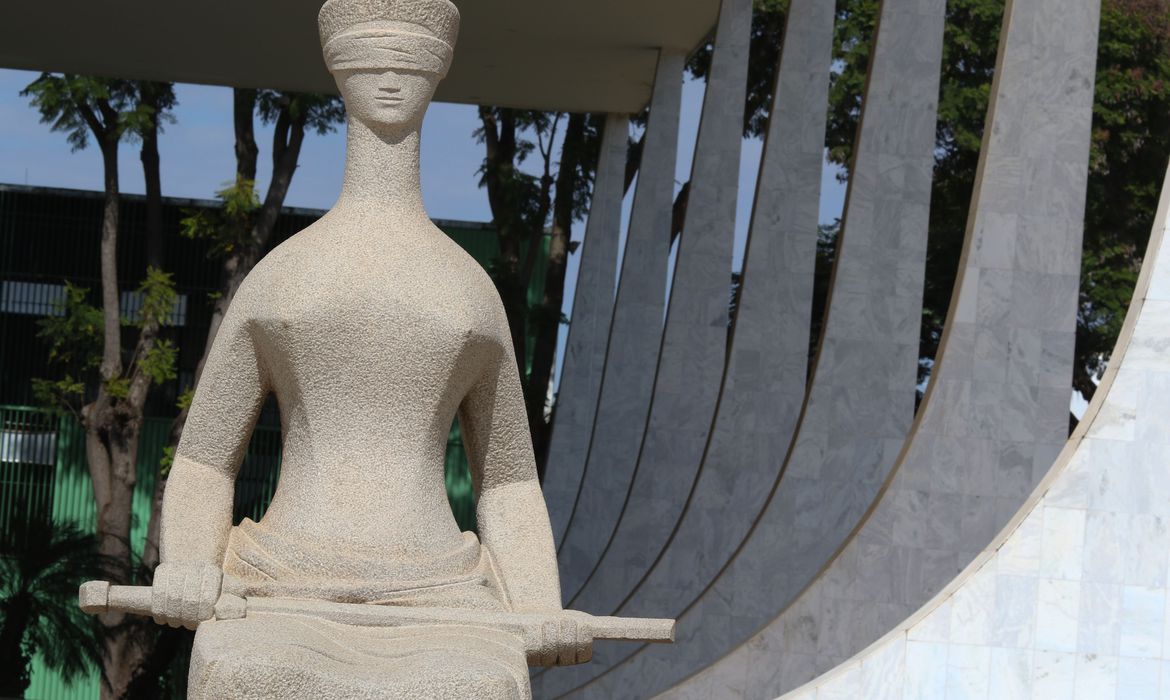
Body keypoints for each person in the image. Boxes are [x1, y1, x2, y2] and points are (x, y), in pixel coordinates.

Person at [152, 1, 579, 695]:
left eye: (408, 62)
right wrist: (189, 565)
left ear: (437, 74)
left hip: (442, 594)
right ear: (337, 71)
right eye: (370, 61)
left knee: (478, 686)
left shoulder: (468, 292)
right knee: (247, 673)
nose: (389, 78)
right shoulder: (283, 278)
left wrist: (537, 605)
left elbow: (508, 480)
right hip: (279, 584)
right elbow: (203, 460)